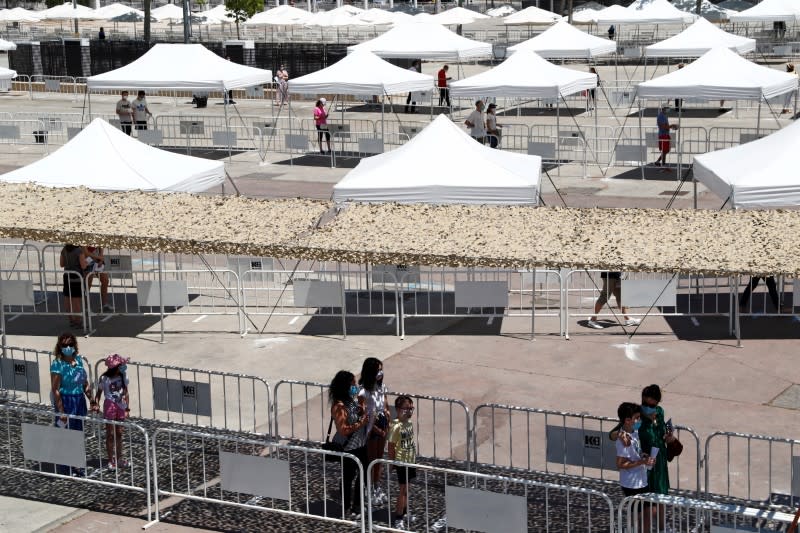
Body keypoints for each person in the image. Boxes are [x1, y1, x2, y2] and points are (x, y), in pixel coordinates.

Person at [50, 332, 95, 476]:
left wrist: (92, 400)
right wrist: (61, 411)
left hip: (79, 400)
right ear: (60, 347)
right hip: (66, 400)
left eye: (70, 344)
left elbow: (84, 384)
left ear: (74, 345)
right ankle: (65, 466)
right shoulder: (57, 364)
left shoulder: (79, 361)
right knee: (65, 434)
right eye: (64, 345)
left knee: (78, 434)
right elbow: (55, 389)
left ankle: (77, 464)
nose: (68, 347)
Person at [329, 370, 368, 519]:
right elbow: (343, 430)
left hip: (361, 444)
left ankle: (357, 504)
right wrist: (361, 423)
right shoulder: (339, 406)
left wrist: (362, 409)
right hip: (349, 447)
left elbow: (357, 417)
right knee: (348, 477)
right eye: (353, 384)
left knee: (363, 475)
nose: (355, 386)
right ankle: (346, 507)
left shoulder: (352, 401)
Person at [638, 384, 675, 532]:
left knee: (661, 496)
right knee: (647, 503)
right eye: (646, 404)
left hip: (659, 460)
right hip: (645, 463)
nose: (650, 408)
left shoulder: (659, 412)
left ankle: (661, 528)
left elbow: (660, 433)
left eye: (653, 405)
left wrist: (668, 437)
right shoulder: (637, 417)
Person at [615, 402, 653, 532]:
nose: (639, 420)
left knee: (647, 513)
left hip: (642, 481)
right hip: (631, 484)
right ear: (627, 420)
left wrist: (645, 457)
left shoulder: (634, 432)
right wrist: (641, 462)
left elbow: (637, 452)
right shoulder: (622, 441)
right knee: (638, 516)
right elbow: (621, 464)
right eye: (636, 418)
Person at [359, 357, 390, 507]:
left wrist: (387, 415)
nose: (381, 373)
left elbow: (385, 404)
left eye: (381, 369)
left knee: (379, 458)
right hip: (370, 428)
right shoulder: (363, 391)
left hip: (382, 424)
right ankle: (368, 489)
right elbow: (361, 411)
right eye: (378, 370)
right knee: (371, 460)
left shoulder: (382, 387)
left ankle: (377, 487)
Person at [93, 353, 130, 469]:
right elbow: (98, 394)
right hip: (110, 406)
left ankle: (119, 458)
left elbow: (126, 392)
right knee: (110, 434)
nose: (123, 367)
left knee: (119, 433)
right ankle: (110, 459)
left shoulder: (123, 376)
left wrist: (127, 408)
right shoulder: (104, 379)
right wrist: (96, 404)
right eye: (120, 365)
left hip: (121, 406)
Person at [388, 395, 416, 531]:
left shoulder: (409, 423)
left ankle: (404, 513)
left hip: (410, 460)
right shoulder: (395, 426)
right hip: (401, 462)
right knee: (403, 491)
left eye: (411, 408)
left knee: (407, 490)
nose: (410, 411)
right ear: (398, 409)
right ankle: (398, 517)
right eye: (406, 408)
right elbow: (391, 446)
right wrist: (393, 463)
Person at [60, 244, 87, 329]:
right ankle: (78, 321)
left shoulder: (64, 249)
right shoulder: (79, 251)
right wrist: (86, 262)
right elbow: (83, 265)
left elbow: (61, 264)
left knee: (67, 299)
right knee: (76, 301)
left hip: (66, 275)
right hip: (76, 276)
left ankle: (71, 320)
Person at [83, 246, 112, 312]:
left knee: (105, 280)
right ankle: (86, 308)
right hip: (88, 261)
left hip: (97, 260)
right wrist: (99, 257)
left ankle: (104, 305)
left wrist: (101, 258)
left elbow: (101, 245)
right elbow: (85, 252)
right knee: (88, 285)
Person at [655, 105, 678, 170]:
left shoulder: (664, 115)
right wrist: (672, 126)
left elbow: (666, 126)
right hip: (663, 135)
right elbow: (664, 127)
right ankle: (663, 164)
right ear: (663, 109)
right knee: (665, 150)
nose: (669, 109)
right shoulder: (661, 116)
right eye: (667, 108)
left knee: (666, 150)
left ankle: (658, 162)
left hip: (665, 134)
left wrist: (671, 127)